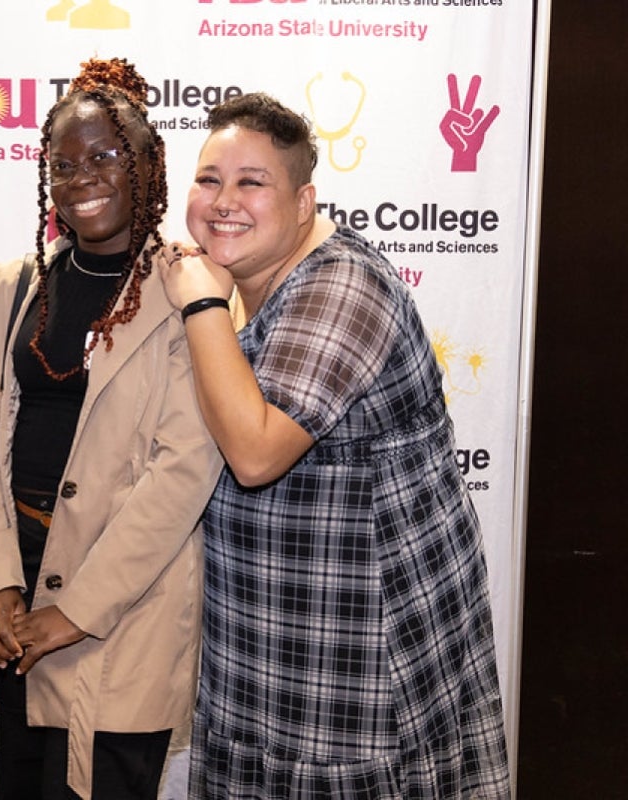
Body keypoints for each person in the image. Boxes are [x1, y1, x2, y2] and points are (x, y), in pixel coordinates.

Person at [161, 92, 512, 798]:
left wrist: (200, 301)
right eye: (209, 179)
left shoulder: (343, 286)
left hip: (358, 658)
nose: (224, 200)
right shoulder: (238, 278)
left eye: (251, 182)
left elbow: (256, 454)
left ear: (303, 202)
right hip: (266, 642)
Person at [0, 58, 222, 800]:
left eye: (105, 156)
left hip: (124, 603)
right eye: (63, 164)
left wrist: (74, 610)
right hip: (16, 600)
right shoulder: (14, 288)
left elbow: (185, 469)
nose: (82, 178)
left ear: (148, 164)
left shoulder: (188, 287)